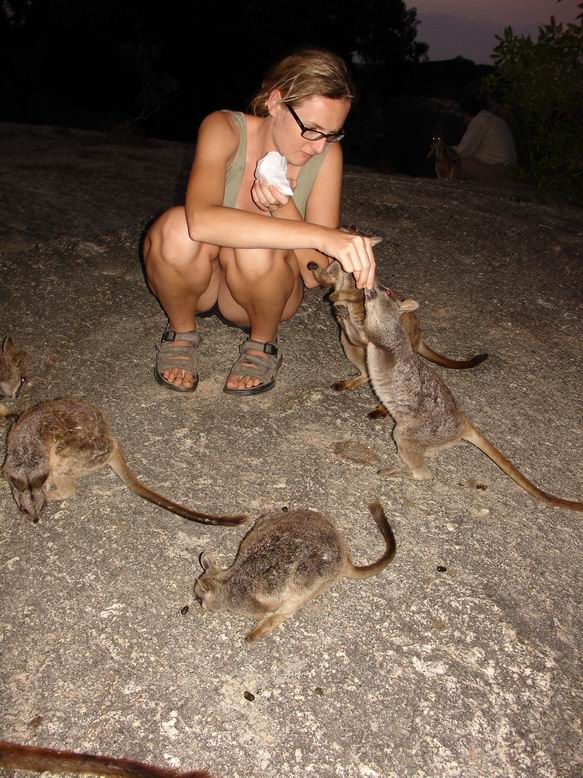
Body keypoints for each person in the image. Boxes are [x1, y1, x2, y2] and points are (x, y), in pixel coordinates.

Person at [143, 48, 376, 396]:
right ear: (276, 103)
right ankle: (180, 331)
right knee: (175, 227)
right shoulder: (224, 127)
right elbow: (201, 222)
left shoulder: (326, 157)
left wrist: (283, 208)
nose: (318, 146)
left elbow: (314, 275)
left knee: (257, 244)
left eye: (332, 133)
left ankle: (262, 343)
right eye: (311, 130)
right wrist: (327, 237)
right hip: (200, 285)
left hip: (261, 296)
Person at [453, 93, 517, 181]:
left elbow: (463, 150)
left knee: (457, 162)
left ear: (465, 114)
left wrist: (444, 149)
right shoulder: (492, 118)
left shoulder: (480, 121)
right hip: (510, 168)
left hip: (500, 169)